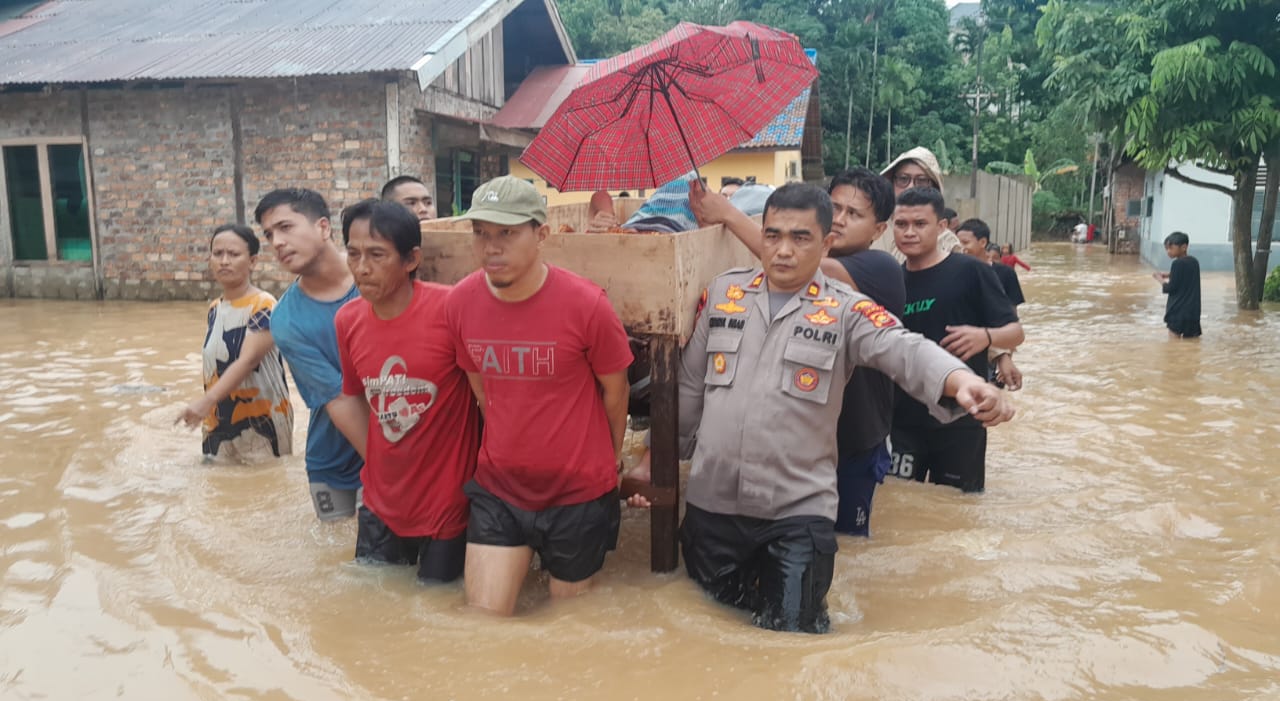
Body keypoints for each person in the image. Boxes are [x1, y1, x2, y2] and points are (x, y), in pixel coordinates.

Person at [662, 183, 1013, 634]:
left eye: (800, 237)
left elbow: (904, 349)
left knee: (792, 642)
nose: (783, 250)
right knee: (708, 633)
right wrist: (660, 461)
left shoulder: (846, 310)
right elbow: (690, 388)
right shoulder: (723, 296)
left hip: (795, 516)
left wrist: (963, 380)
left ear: (826, 242)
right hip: (712, 510)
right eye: (772, 235)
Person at [443, 176, 633, 616]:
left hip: (578, 493)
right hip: (500, 488)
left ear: (542, 235)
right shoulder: (459, 303)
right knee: (481, 622)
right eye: (481, 234)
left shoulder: (587, 305)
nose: (492, 247)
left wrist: (608, 465)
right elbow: (483, 395)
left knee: (569, 628)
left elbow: (615, 392)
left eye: (507, 234)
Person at [687, 169, 904, 537]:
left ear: (879, 230)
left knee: (843, 544)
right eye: (834, 207)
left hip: (853, 439)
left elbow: (812, 266)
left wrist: (728, 214)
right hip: (795, 445)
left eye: (854, 214)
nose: (839, 218)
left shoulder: (880, 269)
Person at [334, 199, 481, 582]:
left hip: (447, 508)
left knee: (437, 612)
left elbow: (489, 398)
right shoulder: (347, 321)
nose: (361, 268)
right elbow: (354, 397)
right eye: (353, 253)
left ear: (411, 259)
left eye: (377, 255)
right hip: (380, 505)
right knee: (374, 614)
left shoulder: (452, 310)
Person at [890, 188, 1024, 493]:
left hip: (962, 416)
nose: (909, 232)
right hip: (901, 419)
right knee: (898, 501)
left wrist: (986, 337)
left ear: (941, 228)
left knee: (958, 510)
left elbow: (1016, 332)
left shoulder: (971, 271)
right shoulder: (891, 280)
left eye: (920, 224)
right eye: (901, 224)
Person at [256, 188, 366, 521]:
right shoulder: (287, 320)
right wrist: (389, 468)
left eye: (285, 227)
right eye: (268, 235)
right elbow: (341, 400)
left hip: (404, 441)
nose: (276, 242)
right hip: (334, 460)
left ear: (323, 227)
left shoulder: (377, 277)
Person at [176, 223, 293, 461]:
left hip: (262, 422)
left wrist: (205, 402)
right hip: (218, 421)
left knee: (264, 488)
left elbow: (249, 360)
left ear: (252, 261)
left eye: (234, 254)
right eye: (218, 254)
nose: (224, 261)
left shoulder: (265, 305)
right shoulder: (215, 309)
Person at [956, 219, 1026, 391]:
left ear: (982, 243)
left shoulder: (1004, 273)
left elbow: (1010, 316)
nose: (960, 248)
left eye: (965, 243)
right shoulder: (954, 272)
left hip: (987, 349)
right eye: (957, 243)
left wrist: (1005, 355)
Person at [871, 147, 961, 260]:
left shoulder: (946, 241)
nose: (910, 187)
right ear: (892, 183)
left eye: (921, 181)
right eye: (903, 179)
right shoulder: (873, 230)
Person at [1153, 231, 1202, 339]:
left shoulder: (1177, 263)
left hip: (1177, 313)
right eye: (1166, 248)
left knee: (1173, 347)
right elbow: (1186, 275)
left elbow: (1169, 288)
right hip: (1193, 313)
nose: (1168, 251)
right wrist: (1169, 274)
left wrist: (1159, 279)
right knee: (1190, 346)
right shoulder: (1194, 261)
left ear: (1184, 247)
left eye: (1171, 248)